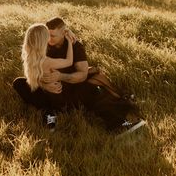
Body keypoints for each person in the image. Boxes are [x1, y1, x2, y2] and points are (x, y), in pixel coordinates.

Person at [13, 17, 146, 133]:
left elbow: (81, 75)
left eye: (52, 36)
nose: (49, 39)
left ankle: (119, 124)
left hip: (69, 87)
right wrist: (43, 84)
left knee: (92, 88)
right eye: (47, 35)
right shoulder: (44, 45)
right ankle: (48, 112)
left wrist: (60, 77)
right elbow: (35, 71)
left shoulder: (75, 46)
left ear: (64, 33)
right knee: (19, 83)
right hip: (51, 89)